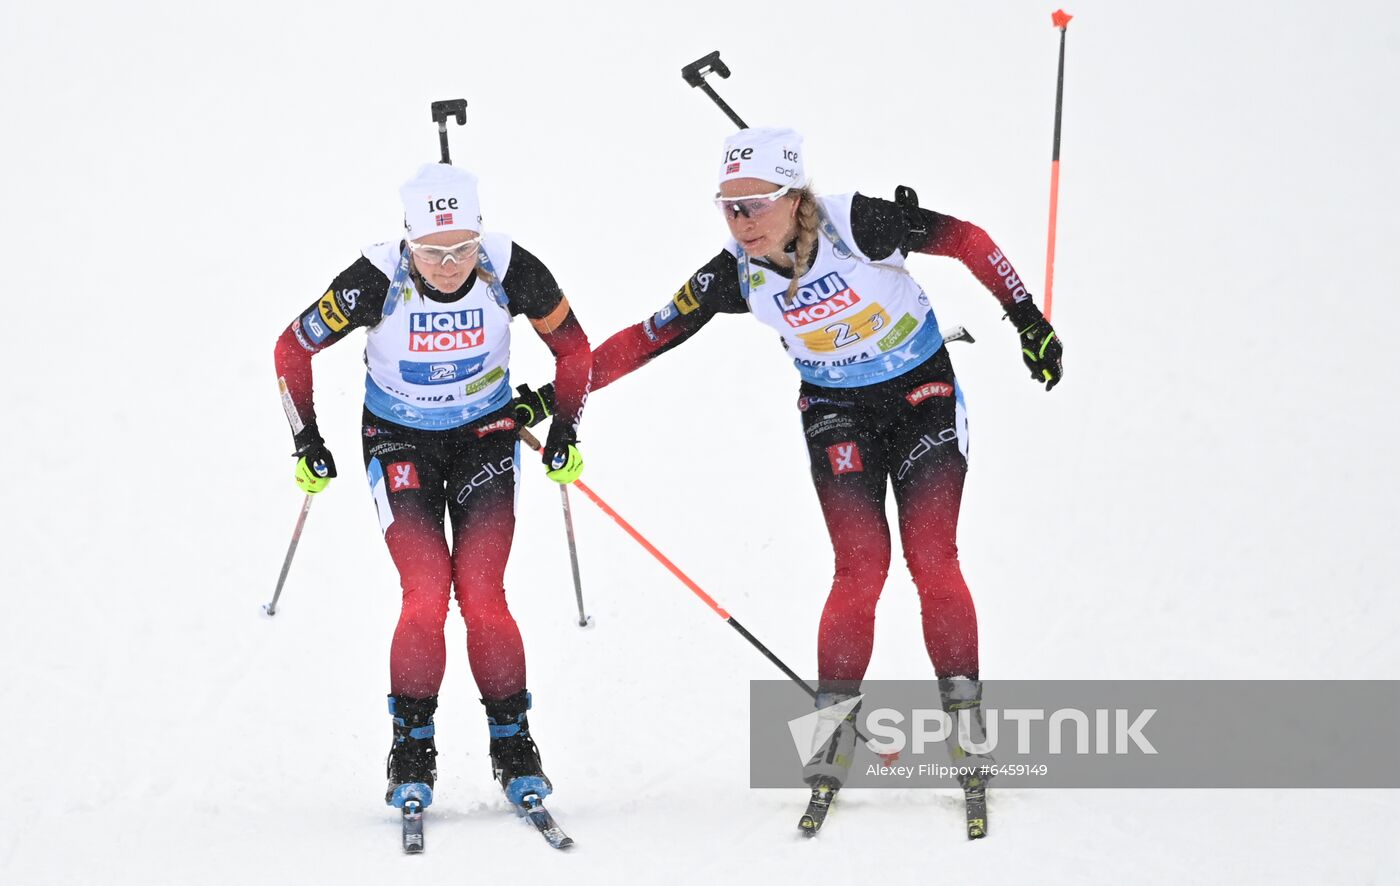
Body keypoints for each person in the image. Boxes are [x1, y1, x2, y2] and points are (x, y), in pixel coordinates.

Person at [519, 127, 1062, 804]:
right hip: (835, 410)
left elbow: (968, 240)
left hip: (922, 394)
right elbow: (649, 337)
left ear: (794, 198)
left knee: (932, 559)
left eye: (754, 206)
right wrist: (555, 395)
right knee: (860, 568)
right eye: (727, 207)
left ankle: (968, 734)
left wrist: (1027, 319)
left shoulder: (859, 221)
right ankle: (834, 737)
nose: (740, 222)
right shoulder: (732, 273)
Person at [271, 162, 592, 813]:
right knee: (424, 594)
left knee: (482, 596)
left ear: (481, 236)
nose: (449, 266)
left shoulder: (512, 267)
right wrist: (307, 440)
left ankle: (514, 745)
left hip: (486, 435)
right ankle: (411, 749)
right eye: (432, 252)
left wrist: (565, 427)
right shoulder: (373, 280)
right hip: (399, 443)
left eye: (463, 249)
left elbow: (576, 349)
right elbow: (290, 349)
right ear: (407, 242)